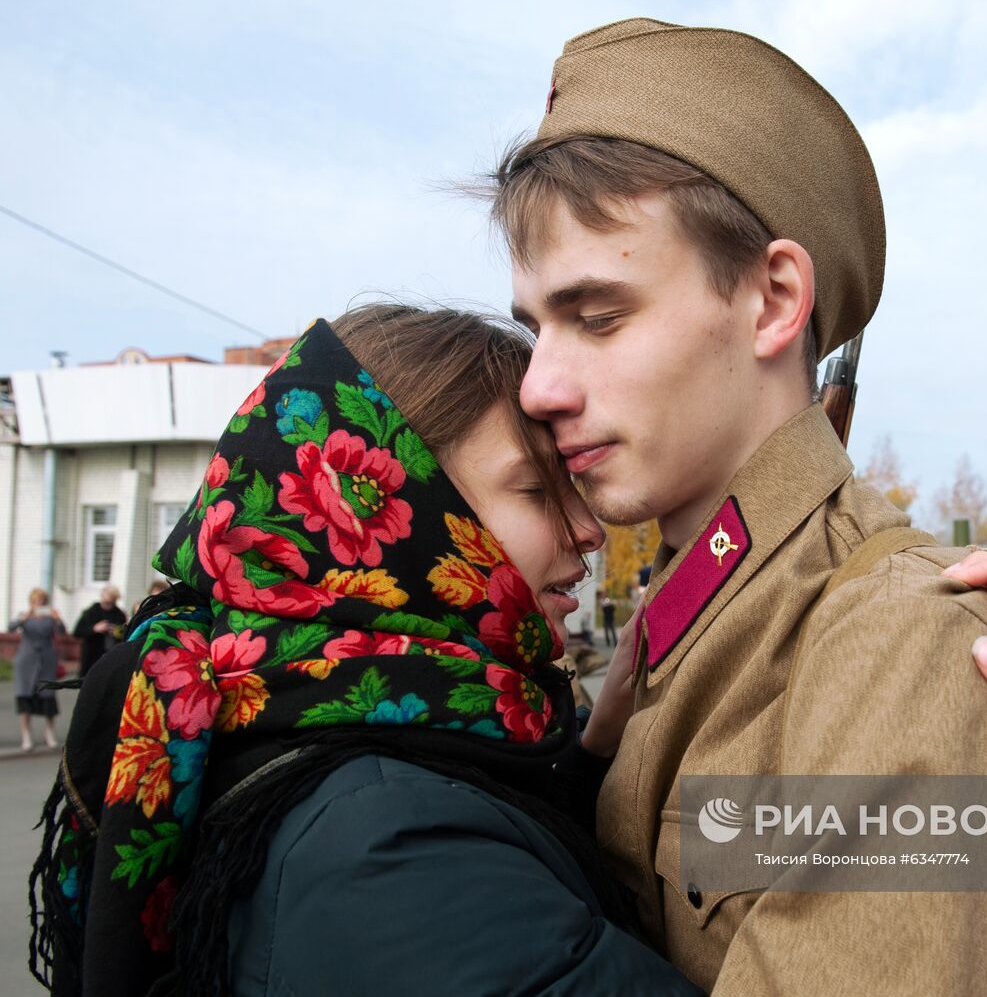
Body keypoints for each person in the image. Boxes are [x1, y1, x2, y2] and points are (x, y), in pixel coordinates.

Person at [486, 16, 987, 995]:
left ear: (774, 301)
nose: (540, 386)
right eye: (537, 328)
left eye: (599, 316)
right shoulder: (684, 629)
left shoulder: (898, 642)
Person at [30, 308, 698, 996]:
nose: (589, 530)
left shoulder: (322, 720)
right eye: (536, 490)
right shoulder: (389, 842)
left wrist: (595, 752)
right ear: (376, 514)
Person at [10, 587, 64, 752]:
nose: (39, 604)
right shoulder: (24, 616)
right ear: (31, 602)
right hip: (26, 661)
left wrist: (58, 619)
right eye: (36, 601)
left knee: (47, 696)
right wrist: (25, 617)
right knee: (25, 696)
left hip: (46, 660)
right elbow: (11, 627)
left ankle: (49, 733)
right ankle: (26, 735)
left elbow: (62, 632)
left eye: (42, 601)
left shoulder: (50, 618)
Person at [72, 586, 126, 678]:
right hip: (91, 657)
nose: (108, 605)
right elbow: (77, 632)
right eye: (106, 602)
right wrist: (94, 628)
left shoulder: (119, 614)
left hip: (111, 656)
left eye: (111, 602)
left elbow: (124, 634)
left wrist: (116, 632)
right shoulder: (91, 612)